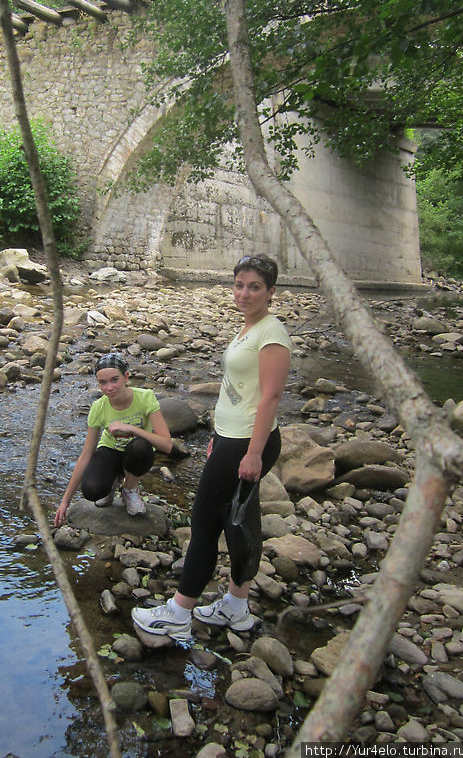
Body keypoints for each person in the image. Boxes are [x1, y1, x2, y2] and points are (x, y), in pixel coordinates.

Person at [132, 254, 291, 641]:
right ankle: (235, 606)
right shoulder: (247, 329)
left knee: (203, 523)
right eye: (239, 284)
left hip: (248, 443)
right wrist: (217, 438)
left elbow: (269, 398)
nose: (244, 293)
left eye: (254, 286)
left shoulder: (271, 333)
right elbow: (239, 393)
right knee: (237, 520)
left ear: (271, 291)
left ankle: (179, 611)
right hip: (232, 439)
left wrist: (252, 453)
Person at [54, 353, 172, 526]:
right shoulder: (98, 407)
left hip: (137, 454)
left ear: (126, 377)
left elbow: (167, 445)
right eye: (103, 382)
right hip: (110, 452)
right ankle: (111, 484)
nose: (109, 388)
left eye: (114, 380)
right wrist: (65, 501)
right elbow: (86, 454)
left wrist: (133, 429)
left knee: (139, 446)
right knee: (92, 490)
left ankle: (130, 489)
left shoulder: (145, 397)